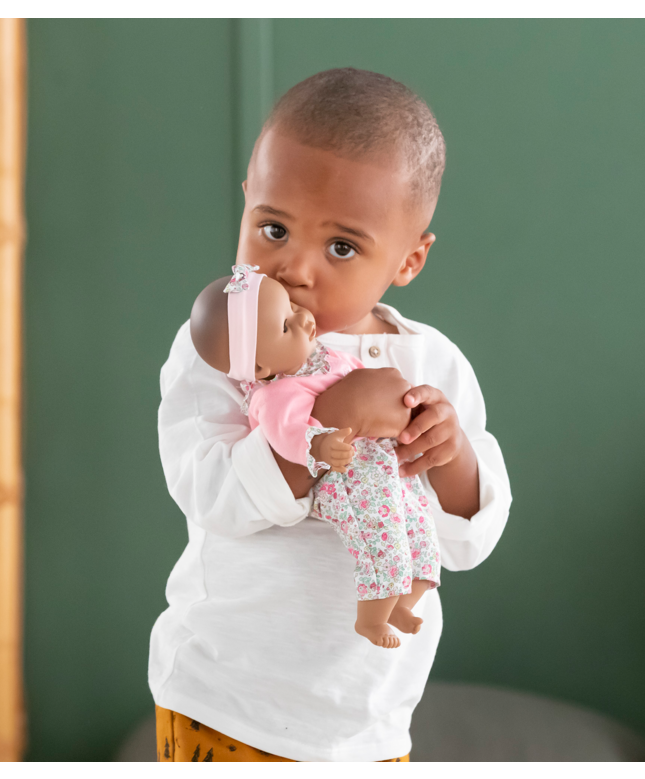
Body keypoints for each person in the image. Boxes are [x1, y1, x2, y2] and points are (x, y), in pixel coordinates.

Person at [150, 67, 512, 763]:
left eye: (341, 246)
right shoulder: (224, 343)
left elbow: (467, 543)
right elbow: (208, 491)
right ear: (246, 202)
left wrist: (452, 453)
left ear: (409, 258)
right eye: (273, 228)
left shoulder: (429, 362)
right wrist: (323, 425)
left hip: (369, 723)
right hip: (225, 697)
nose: (295, 268)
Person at [189, 266, 441, 649]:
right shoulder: (274, 395)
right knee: (381, 538)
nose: (304, 318)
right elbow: (287, 435)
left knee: (419, 527)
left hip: (379, 460)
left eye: (292, 307)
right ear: (258, 368)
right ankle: (371, 619)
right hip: (344, 477)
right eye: (286, 325)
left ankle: (403, 604)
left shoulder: (323, 356)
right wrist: (319, 446)